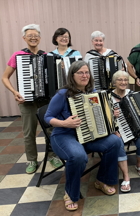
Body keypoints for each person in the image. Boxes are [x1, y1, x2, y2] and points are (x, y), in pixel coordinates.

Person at [44, 61, 119, 210]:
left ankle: (101, 180)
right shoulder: (62, 94)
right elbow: (47, 117)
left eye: (87, 72)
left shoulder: (92, 91)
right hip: (64, 135)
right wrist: (65, 123)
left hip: (87, 134)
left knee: (115, 142)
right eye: (80, 73)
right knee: (78, 156)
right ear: (72, 75)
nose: (85, 76)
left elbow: (101, 111)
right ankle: (70, 193)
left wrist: (111, 113)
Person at [1, 24, 62, 174]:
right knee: (29, 133)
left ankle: (53, 156)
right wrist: (15, 92)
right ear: (24, 38)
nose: (33, 38)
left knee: (50, 130)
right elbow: (4, 77)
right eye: (30, 36)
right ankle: (32, 160)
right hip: (27, 101)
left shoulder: (47, 56)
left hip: (45, 101)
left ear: (40, 38)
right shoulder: (18, 55)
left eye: (36, 35)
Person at [110, 70, 140, 192]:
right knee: (118, 143)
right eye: (120, 80)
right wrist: (112, 115)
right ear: (114, 82)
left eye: (125, 80)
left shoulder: (133, 94)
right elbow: (103, 118)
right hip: (118, 131)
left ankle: (139, 164)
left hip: (136, 129)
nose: (123, 82)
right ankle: (126, 176)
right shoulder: (108, 97)